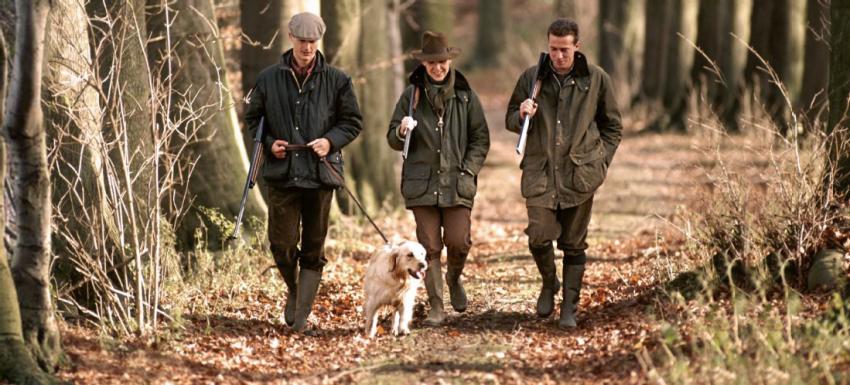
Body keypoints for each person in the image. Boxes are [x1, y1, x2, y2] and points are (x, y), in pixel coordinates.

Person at [244, 12, 363, 335]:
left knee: (313, 247)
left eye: (312, 41)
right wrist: (270, 143)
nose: (307, 47)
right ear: (291, 38)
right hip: (282, 173)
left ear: (318, 41)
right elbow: (253, 119)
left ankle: (301, 317)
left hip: (320, 174)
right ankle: (295, 290)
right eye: (302, 41)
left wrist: (330, 141)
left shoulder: (338, 80)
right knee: (280, 244)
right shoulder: (268, 78)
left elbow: (352, 122)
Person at [505, 18, 622, 328]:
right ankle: (549, 282)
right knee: (538, 235)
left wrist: (599, 162)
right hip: (540, 173)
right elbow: (510, 118)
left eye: (564, 50)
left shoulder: (596, 79)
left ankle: (569, 307)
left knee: (574, 243)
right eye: (553, 49)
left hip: (579, 175)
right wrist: (521, 114)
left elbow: (613, 127)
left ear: (577, 47)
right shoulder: (532, 77)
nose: (558, 56)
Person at [387, 31, 490, 326]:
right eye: (431, 62)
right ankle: (436, 306)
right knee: (429, 247)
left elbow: (481, 138)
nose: (437, 67)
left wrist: (468, 170)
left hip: (457, 182)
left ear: (449, 61)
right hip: (421, 184)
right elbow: (392, 138)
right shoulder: (411, 96)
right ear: (424, 64)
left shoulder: (466, 96)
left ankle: (454, 278)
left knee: (459, 242)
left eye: (442, 61)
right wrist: (401, 131)